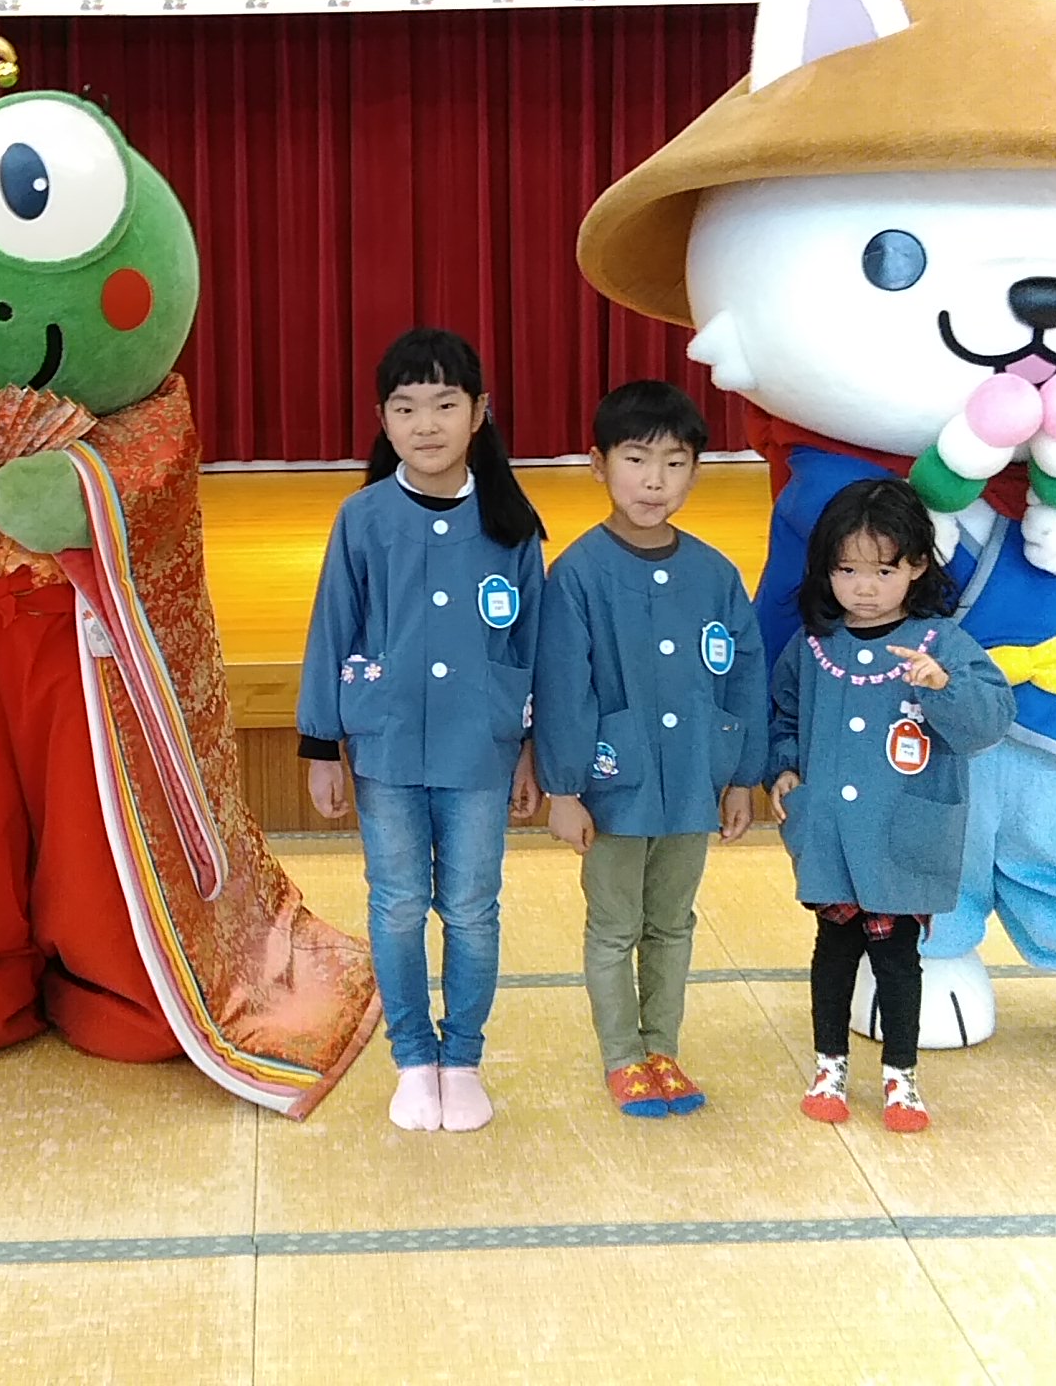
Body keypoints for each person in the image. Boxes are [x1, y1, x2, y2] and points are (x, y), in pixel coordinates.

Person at [298, 328, 547, 1132]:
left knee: (472, 906)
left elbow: (533, 645)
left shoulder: (513, 525)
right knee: (398, 903)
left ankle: (462, 1058)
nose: (427, 424)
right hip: (387, 745)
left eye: (445, 404)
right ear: (383, 419)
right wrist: (320, 745)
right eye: (406, 408)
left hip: (482, 749)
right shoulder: (363, 518)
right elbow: (332, 628)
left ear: (479, 411)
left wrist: (535, 750)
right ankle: (413, 1057)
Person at [533, 381, 766, 1118]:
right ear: (598, 464)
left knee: (672, 923)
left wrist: (741, 778)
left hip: (693, 781)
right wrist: (563, 789)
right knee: (614, 926)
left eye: (674, 462)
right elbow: (562, 687)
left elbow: (743, 675)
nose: (654, 480)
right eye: (636, 459)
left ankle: (662, 1047)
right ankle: (622, 1057)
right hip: (614, 788)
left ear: (696, 470)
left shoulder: (715, 574)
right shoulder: (577, 573)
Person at [770, 477, 1012, 1132]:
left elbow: (988, 722)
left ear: (917, 566)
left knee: (899, 961)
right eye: (847, 570)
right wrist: (783, 769)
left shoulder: (942, 643)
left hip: (902, 837)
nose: (865, 587)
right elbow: (783, 716)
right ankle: (829, 1067)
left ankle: (901, 1078)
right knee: (832, 952)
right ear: (826, 570)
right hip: (830, 835)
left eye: (883, 570)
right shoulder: (812, 646)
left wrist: (942, 687)